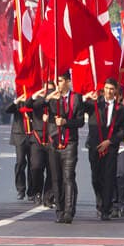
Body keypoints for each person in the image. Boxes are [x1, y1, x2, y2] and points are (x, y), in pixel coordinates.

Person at [82, 78, 124, 221]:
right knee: (96, 178)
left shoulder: (120, 109)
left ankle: (105, 210)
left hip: (110, 148)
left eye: (112, 89)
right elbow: (78, 106)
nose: (109, 91)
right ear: (103, 89)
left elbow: (123, 130)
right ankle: (100, 202)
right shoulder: (94, 104)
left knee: (109, 178)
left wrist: (110, 141)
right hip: (95, 147)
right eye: (107, 88)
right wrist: (85, 97)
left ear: (116, 91)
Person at [48, 71, 84, 224]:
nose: (59, 83)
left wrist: (65, 122)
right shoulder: (52, 98)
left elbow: (80, 121)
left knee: (68, 177)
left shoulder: (76, 98)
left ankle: (69, 211)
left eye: (61, 80)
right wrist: (49, 98)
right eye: (57, 80)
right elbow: (36, 106)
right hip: (54, 143)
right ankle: (60, 210)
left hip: (70, 143)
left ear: (68, 81)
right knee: (56, 178)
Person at [5, 90, 37, 201]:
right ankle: (20, 189)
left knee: (33, 164)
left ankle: (32, 191)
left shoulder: (34, 99)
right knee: (20, 162)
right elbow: (7, 109)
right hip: (20, 134)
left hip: (33, 134)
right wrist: (17, 101)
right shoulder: (18, 100)